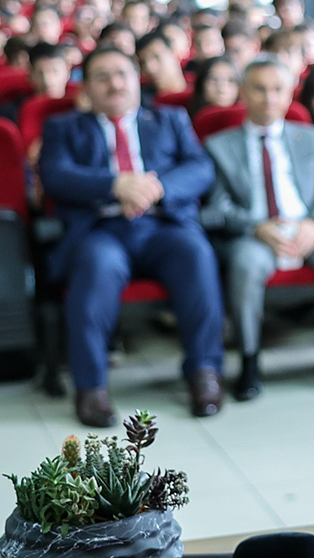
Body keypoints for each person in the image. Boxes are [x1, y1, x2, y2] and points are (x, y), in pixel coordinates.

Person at [37, 46, 225, 427]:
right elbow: (56, 175)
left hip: (163, 225)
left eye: (122, 74)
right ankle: (91, 388)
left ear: (136, 80)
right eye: (102, 76)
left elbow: (201, 168)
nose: (115, 83)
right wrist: (116, 184)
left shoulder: (170, 119)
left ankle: (204, 371)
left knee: (197, 255)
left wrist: (156, 189)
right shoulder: (64, 127)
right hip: (101, 229)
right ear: (87, 87)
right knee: (96, 267)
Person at [202, 57, 314, 399]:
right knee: (246, 266)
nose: (269, 99)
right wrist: (256, 227)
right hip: (255, 233)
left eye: (277, 90)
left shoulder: (311, 139)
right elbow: (216, 207)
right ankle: (250, 361)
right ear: (243, 93)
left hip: (308, 227)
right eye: (259, 89)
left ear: (289, 95)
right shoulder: (219, 146)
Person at [0, 42, 71, 129]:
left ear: (67, 72)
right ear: (30, 75)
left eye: (55, 71)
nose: (47, 81)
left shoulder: (78, 107)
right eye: (40, 73)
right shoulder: (12, 111)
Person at [136, 30, 188, 99]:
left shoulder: (201, 89)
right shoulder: (141, 101)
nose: (150, 69)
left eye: (156, 57)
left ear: (174, 53)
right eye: (143, 63)